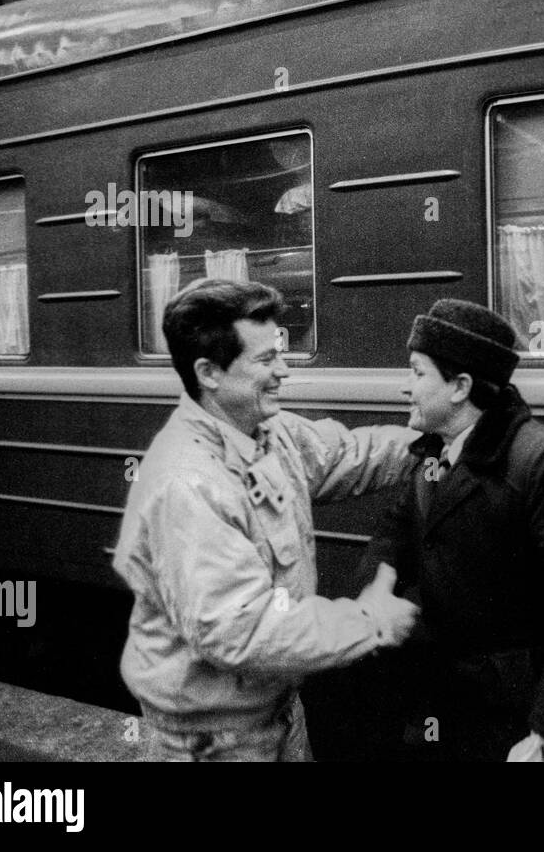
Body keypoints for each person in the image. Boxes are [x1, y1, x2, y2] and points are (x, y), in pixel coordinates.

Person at [112, 278, 420, 761]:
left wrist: (429, 445)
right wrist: (370, 622)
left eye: (281, 353)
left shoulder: (266, 432)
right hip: (213, 743)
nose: (283, 372)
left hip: (273, 715)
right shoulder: (187, 483)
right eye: (266, 360)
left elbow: (348, 454)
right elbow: (242, 630)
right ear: (209, 372)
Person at [357, 299, 544, 761]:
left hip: (525, 710)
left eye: (416, 372)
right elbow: (397, 531)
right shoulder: (436, 454)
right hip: (455, 696)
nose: (404, 388)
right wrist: (379, 589)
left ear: (460, 387)